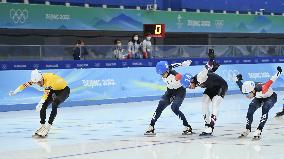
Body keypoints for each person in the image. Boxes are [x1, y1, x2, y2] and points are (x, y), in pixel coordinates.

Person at [9, 70, 70, 137]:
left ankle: (48, 127)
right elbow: (24, 85)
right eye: (37, 83)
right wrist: (15, 91)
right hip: (54, 89)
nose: (39, 84)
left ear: (42, 78)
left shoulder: (49, 80)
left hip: (64, 90)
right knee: (43, 107)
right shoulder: (36, 79)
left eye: (39, 82)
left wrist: (40, 103)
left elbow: (45, 95)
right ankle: (43, 126)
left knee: (54, 104)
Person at [180, 50, 227, 136]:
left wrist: (211, 58)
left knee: (215, 103)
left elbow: (207, 67)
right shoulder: (194, 81)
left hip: (221, 86)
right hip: (211, 87)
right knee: (204, 102)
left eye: (189, 86)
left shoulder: (200, 76)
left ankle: (211, 127)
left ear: (191, 81)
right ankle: (207, 124)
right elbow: (210, 72)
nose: (190, 88)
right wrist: (214, 68)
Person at [144, 60, 193, 136]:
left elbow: (185, 80)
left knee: (174, 108)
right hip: (170, 92)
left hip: (180, 92)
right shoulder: (166, 69)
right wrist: (181, 64)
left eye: (163, 74)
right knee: (160, 106)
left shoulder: (176, 75)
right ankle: (151, 127)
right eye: (160, 74)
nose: (162, 75)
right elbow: (172, 65)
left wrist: (189, 83)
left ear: (167, 71)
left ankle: (187, 127)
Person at [234, 66, 282, 140]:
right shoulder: (247, 89)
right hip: (259, 98)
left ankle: (259, 130)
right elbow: (240, 84)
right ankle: (248, 129)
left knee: (265, 108)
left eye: (248, 94)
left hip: (270, 97)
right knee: (250, 110)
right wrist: (238, 79)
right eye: (245, 94)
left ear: (253, 91)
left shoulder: (263, 88)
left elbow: (271, 80)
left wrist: (278, 72)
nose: (247, 96)